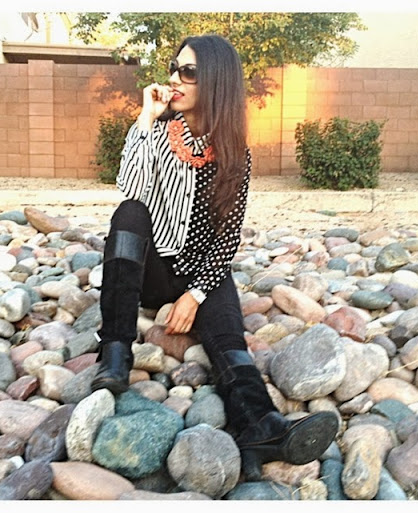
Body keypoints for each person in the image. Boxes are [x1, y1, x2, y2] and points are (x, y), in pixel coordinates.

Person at [90, 34, 338, 481]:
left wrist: (196, 295)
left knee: (228, 337)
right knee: (129, 214)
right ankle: (114, 353)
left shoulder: (234, 152)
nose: (174, 78)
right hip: (153, 270)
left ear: (216, 81)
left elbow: (227, 237)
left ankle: (260, 425)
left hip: (200, 271)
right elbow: (131, 187)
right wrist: (145, 117)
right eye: (174, 68)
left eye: (188, 72)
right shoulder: (157, 132)